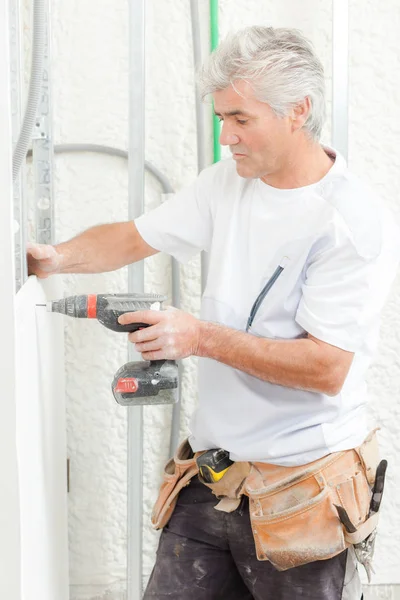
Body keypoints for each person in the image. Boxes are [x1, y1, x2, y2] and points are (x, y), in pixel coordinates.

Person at [28, 26, 399, 600]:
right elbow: (132, 237)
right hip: (216, 475)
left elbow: (327, 367)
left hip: (302, 489)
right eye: (221, 117)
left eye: (240, 119)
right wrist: (51, 261)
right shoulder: (226, 185)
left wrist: (198, 337)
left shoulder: (347, 221)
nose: (226, 136)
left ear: (297, 110)